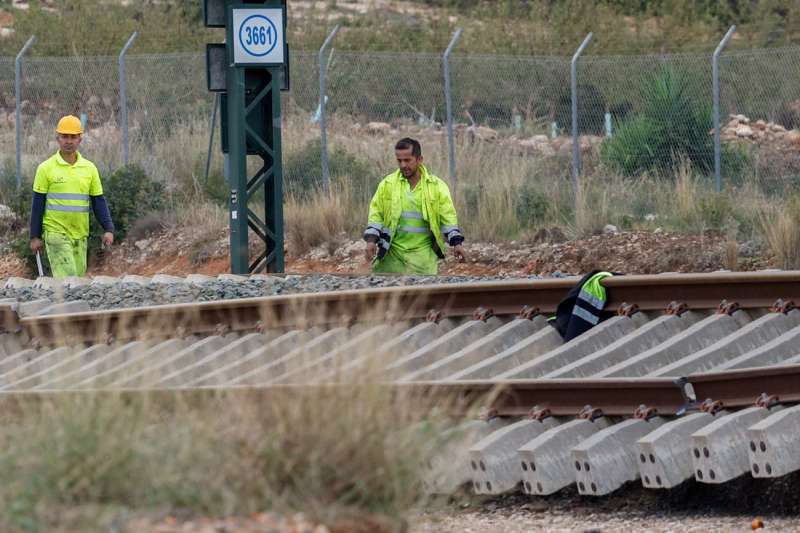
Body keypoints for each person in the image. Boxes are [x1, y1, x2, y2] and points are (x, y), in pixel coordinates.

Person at [363, 137, 466, 275]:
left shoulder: (436, 187)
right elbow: (376, 215)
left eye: (407, 160)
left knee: (424, 296)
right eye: (399, 160)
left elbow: (448, 218)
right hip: (391, 262)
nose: (403, 165)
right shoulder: (387, 185)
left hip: (422, 263)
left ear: (419, 159)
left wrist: (456, 243)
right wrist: (371, 241)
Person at [29, 115, 115, 278]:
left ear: (79, 140)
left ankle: (62, 303)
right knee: (69, 279)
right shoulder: (45, 168)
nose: (69, 141)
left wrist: (108, 229)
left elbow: (98, 202)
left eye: (73, 137)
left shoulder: (89, 169)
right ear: (58, 139)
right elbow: (37, 205)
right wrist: (35, 236)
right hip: (56, 234)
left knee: (78, 280)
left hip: (80, 236)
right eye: (65, 137)